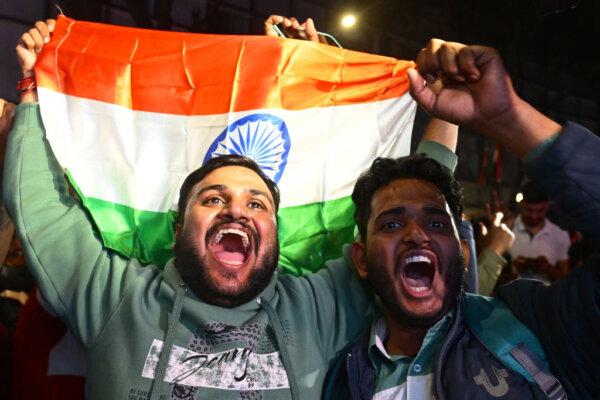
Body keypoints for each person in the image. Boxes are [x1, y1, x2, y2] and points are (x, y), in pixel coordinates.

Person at [4, 20, 461, 399]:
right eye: (214, 198)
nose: (235, 212)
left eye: (256, 203)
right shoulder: (115, 297)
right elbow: (42, 210)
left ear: (276, 233)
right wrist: (31, 87)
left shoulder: (317, 307)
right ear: (179, 225)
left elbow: (415, 208)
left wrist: (443, 105)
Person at [324, 38, 600, 399]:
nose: (416, 235)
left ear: (464, 252)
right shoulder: (341, 377)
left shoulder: (536, 329)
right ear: (361, 259)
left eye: (437, 223)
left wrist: (509, 118)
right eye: (391, 224)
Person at [510, 181, 570, 282]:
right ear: (521, 204)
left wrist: (548, 269)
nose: (534, 216)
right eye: (529, 210)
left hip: (547, 297)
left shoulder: (560, 234)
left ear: (547, 206)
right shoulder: (507, 230)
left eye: (540, 211)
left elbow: (565, 280)